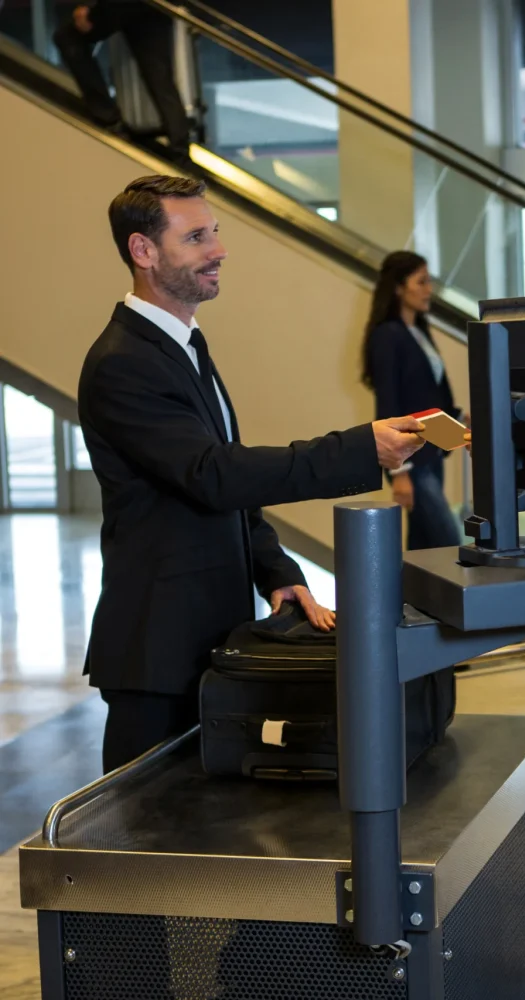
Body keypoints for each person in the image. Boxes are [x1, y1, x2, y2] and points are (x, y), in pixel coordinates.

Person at [78, 175, 425, 773]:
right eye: (196, 238)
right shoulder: (122, 363)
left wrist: (275, 571)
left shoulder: (182, 346)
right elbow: (214, 474)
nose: (219, 250)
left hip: (206, 635)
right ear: (143, 250)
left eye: (214, 232)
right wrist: (359, 449)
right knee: (149, 826)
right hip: (155, 652)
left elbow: (225, 488)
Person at [362, 251, 463, 550]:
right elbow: (388, 403)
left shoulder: (418, 332)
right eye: (421, 282)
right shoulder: (387, 336)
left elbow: (428, 393)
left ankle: (409, 585)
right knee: (448, 543)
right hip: (411, 459)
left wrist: (461, 419)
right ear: (398, 288)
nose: (428, 289)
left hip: (431, 451)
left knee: (424, 546)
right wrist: (399, 473)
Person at [54, 2, 190, 157]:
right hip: (153, 7)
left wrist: (89, 9)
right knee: (160, 76)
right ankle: (180, 146)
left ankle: (108, 118)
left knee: (67, 36)